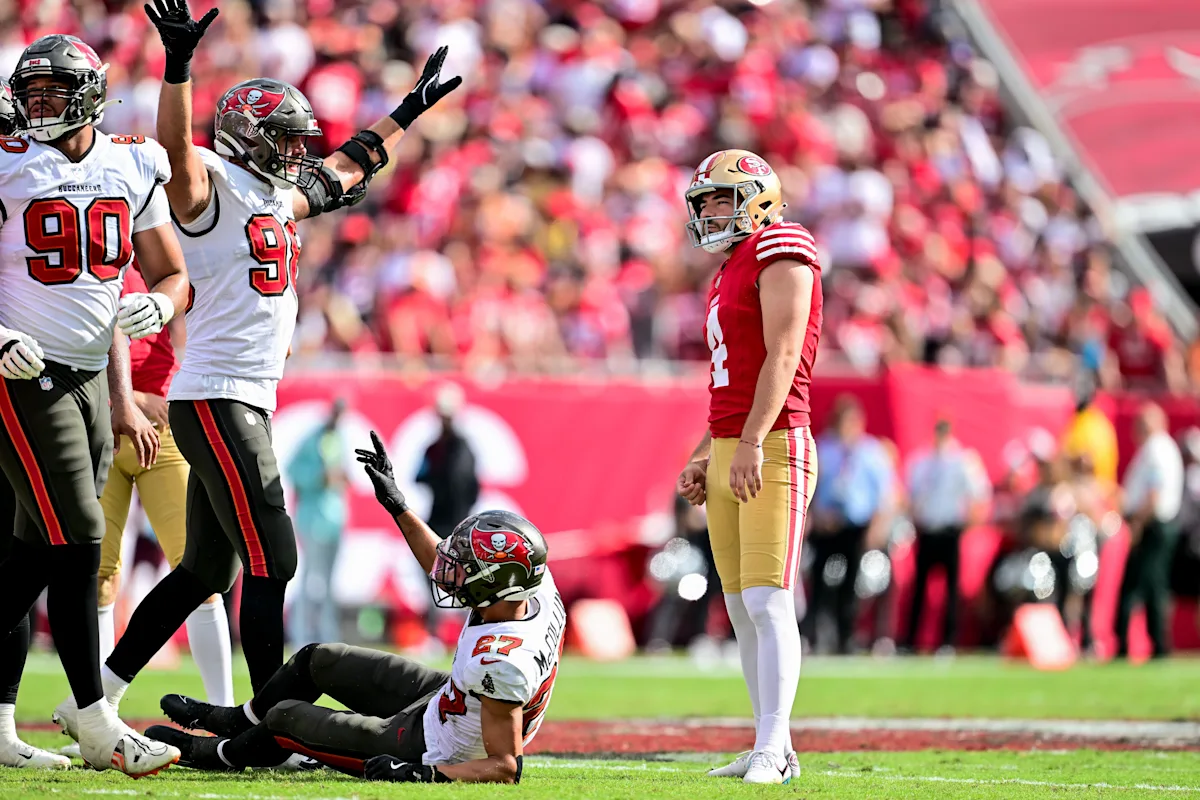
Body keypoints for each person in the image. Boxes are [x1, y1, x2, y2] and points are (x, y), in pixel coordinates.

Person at [56, 0, 462, 735]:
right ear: (245, 136)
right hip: (218, 396)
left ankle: (96, 698)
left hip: (238, 398)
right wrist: (179, 66)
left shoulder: (274, 194)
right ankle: (271, 721)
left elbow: (347, 167)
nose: (297, 151)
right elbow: (175, 149)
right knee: (276, 560)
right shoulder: (208, 185)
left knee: (205, 571)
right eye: (284, 138)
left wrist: (407, 111)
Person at [147, 433, 563, 785]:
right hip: (450, 699)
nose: (448, 572)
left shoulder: (501, 662)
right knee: (317, 658)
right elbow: (442, 564)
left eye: (466, 569)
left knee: (287, 717)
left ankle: (221, 754)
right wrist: (397, 504)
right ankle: (238, 720)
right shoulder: (531, 588)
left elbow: (505, 767)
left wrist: (426, 773)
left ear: (494, 585)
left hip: (433, 744)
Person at [0, 33, 189, 776]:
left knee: (28, 549)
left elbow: (171, 273)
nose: (38, 104)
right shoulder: (9, 162)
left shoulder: (132, 162)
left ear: (89, 93)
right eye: (30, 92)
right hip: (21, 373)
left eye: (52, 91)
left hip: (89, 377)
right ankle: (95, 718)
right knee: (78, 536)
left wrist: (162, 305)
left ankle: (5, 726)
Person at [674, 149, 821, 785]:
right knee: (739, 606)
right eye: (703, 201)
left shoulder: (781, 245)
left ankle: (775, 747)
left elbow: (784, 353)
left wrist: (754, 440)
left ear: (758, 197)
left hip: (776, 440)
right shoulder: (730, 265)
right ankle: (767, 739)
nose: (709, 211)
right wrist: (708, 450)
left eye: (720, 198)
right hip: (735, 441)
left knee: (767, 598)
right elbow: (732, 380)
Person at [97, 267, 233, 703]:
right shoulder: (88, 257)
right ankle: (97, 713)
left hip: (161, 426)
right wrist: (133, 399)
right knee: (99, 575)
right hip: (102, 423)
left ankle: (222, 709)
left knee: (200, 570)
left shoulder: (159, 253)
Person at [805, 396, 894, 655]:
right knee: (819, 582)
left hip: (856, 525)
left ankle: (847, 637)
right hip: (827, 525)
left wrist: (877, 526)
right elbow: (812, 487)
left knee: (851, 584)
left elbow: (884, 493)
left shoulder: (871, 451)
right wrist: (816, 515)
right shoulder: (823, 448)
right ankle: (812, 635)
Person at [901, 417, 989, 654]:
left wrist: (969, 522)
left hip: (950, 530)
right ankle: (911, 640)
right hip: (928, 530)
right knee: (919, 588)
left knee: (951, 590)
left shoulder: (962, 460)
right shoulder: (923, 460)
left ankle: (948, 641)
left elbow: (980, 492)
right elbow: (912, 494)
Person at [1116, 402, 1184, 659]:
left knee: (1146, 585)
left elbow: (1154, 494)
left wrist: (1137, 523)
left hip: (1153, 526)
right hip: (1153, 524)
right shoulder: (1157, 448)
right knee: (1150, 584)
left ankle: (1155, 645)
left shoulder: (1157, 449)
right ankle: (1150, 644)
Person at [287, 399, 348, 645]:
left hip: (334, 519)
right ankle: (301, 635)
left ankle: (327, 636)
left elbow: (340, 474)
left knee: (329, 583)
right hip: (312, 519)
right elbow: (293, 471)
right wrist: (318, 477)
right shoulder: (312, 439)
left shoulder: (339, 439)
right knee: (310, 579)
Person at [418, 385, 480, 538]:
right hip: (441, 519)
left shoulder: (460, 449)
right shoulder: (434, 448)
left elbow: (467, 487)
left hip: (455, 521)